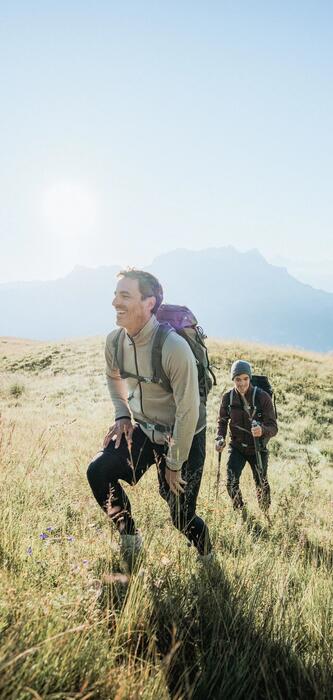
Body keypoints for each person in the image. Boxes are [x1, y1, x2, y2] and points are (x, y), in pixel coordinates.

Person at [87, 269, 212, 570]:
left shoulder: (173, 347)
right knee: (99, 471)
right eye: (116, 294)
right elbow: (112, 376)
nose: (115, 301)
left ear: (149, 303)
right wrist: (122, 415)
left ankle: (208, 557)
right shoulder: (115, 341)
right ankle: (130, 539)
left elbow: (188, 410)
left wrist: (174, 462)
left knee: (181, 515)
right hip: (144, 429)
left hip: (183, 435)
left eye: (125, 295)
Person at [215, 360, 278, 513]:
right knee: (230, 482)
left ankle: (265, 512)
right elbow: (222, 421)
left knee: (261, 484)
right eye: (238, 379)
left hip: (258, 448)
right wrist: (220, 438)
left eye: (245, 378)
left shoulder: (262, 397)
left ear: (249, 378)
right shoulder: (228, 398)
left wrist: (262, 430)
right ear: (233, 380)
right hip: (236, 447)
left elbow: (273, 427)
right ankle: (241, 511)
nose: (242, 383)